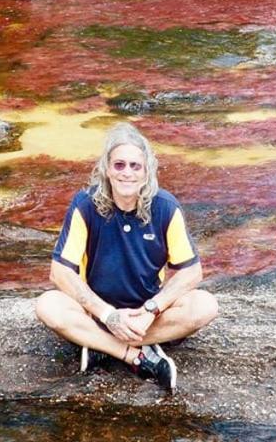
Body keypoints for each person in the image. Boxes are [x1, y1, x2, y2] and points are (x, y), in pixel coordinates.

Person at [34, 122, 219, 391]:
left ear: (147, 173)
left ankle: (101, 346)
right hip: (96, 313)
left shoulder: (165, 207)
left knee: (205, 305)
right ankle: (136, 356)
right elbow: (59, 272)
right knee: (47, 305)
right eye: (119, 165)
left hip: (147, 316)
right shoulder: (85, 204)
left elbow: (192, 272)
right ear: (107, 170)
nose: (127, 173)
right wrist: (108, 316)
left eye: (136, 166)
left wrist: (150, 310)